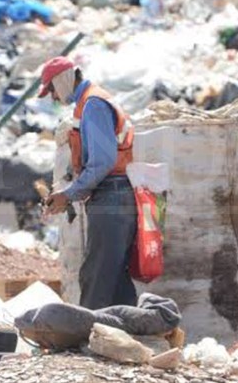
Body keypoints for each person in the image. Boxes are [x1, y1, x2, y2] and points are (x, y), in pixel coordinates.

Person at [38, 56, 138, 309]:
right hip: (116, 196)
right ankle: (131, 336)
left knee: (96, 278)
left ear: (62, 81)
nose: (52, 97)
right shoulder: (91, 101)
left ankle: (89, 338)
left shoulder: (92, 104)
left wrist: (69, 194)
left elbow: (103, 161)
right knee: (115, 281)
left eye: (51, 89)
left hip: (112, 198)